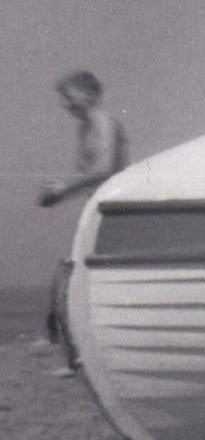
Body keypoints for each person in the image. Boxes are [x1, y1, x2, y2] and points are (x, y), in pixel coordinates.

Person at [35, 70, 129, 374]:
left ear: (87, 94)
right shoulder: (86, 128)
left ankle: (78, 358)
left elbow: (103, 168)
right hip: (96, 208)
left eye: (68, 97)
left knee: (75, 280)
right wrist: (59, 194)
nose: (65, 105)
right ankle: (75, 354)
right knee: (72, 279)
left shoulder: (103, 123)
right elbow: (87, 176)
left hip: (110, 211)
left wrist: (63, 188)